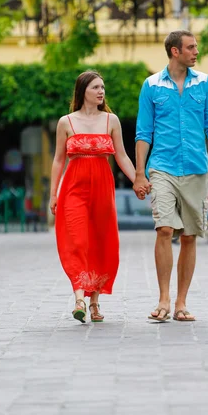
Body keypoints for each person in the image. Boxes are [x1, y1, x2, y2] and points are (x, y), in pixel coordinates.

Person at [133, 30, 208, 322]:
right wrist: (139, 173)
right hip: (162, 167)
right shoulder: (151, 85)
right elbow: (143, 133)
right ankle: (163, 298)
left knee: (189, 236)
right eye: (191, 47)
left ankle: (181, 302)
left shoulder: (205, 83)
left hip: (197, 167)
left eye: (196, 47)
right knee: (164, 229)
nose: (196, 52)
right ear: (175, 51)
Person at [50, 70, 143, 323]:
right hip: (73, 189)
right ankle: (79, 298)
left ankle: (95, 302)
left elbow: (122, 155)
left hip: (102, 188)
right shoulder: (65, 122)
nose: (101, 92)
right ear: (83, 92)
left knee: (101, 241)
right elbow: (58, 160)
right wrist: (53, 194)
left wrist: (139, 179)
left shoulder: (111, 120)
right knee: (77, 241)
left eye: (102, 87)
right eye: (95, 87)